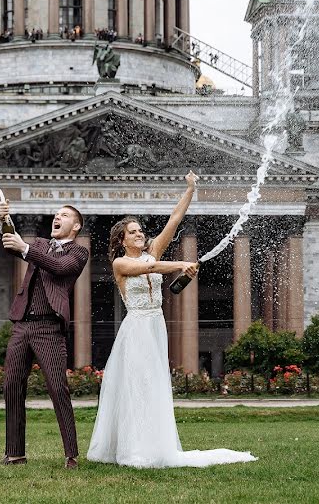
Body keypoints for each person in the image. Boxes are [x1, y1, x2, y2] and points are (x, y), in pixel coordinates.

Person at [87, 171, 256, 468]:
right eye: (133, 232)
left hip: (156, 325)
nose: (140, 234)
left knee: (155, 386)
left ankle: (154, 445)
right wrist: (181, 264)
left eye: (140, 231)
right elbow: (146, 269)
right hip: (137, 326)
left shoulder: (151, 253)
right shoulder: (120, 263)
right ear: (122, 239)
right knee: (136, 385)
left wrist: (190, 188)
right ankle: (133, 449)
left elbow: (174, 220)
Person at [0, 201, 90, 470]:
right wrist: (4, 219)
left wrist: (25, 248)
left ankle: (71, 454)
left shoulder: (79, 253)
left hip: (49, 329)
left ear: (76, 225)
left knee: (57, 387)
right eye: (56, 215)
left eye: (64, 215)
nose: (57, 218)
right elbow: (11, 240)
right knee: (12, 385)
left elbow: (58, 268)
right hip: (21, 326)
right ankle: (15, 454)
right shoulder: (38, 245)